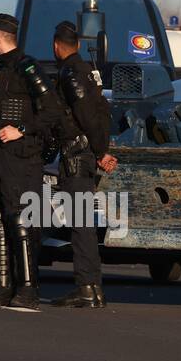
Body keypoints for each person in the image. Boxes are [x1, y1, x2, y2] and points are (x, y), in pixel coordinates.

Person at [0, 13, 53, 312]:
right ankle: (3, 286)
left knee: (20, 219)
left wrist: (22, 129)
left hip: (20, 157)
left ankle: (28, 288)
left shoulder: (27, 67)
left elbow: (52, 110)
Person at [48, 20, 117, 308]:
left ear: (56, 46)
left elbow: (86, 113)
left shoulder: (70, 73)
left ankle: (86, 287)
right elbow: (102, 112)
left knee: (80, 224)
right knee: (84, 222)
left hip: (77, 155)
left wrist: (100, 151)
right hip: (87, 154)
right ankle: (94, 288)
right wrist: (102, 148)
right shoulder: (89, 71)